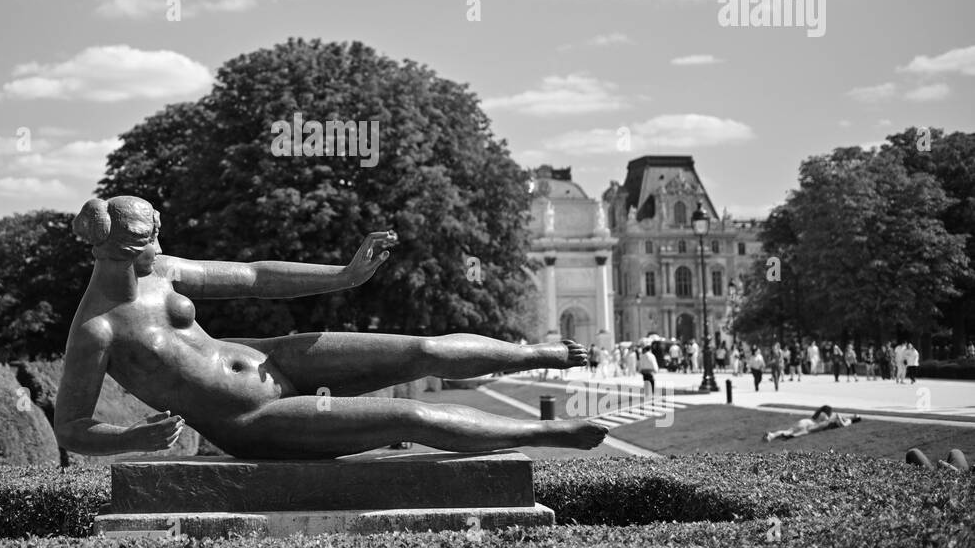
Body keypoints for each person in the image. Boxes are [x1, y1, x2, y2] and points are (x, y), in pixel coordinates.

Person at [54, 196, 608, 459]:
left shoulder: (164, 271)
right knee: (408, 415)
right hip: (252, 418)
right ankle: (547, 433)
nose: (161, 245)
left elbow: (252, 276)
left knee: (422, 348)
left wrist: (343, 276)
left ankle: (539, 353)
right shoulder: (98, 330)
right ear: (121, 250)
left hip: (276, 359)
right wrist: (130, 438)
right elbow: (72, 427)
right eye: (151, 239)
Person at [764, 405, 862, 442]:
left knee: (789, 430)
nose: (854, 415)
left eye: (855, 416)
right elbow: (827, 422)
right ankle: (772, 436)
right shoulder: (825, 416)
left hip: (805, 421)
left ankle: (771, 435)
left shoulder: (821, 414)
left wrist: (838, 418)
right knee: (789, 432)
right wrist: (837, 418)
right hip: (808, 424)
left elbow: (842, 423)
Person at [905, 448, 970, 473]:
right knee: (956, 451)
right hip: (962, 473)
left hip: (960, 478)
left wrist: (955, 471)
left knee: (913, 452)